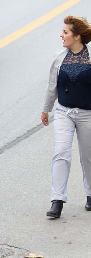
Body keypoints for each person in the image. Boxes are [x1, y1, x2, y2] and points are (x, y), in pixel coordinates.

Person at [41, 15, 91, 219]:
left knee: (88, 156)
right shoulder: (59, 57)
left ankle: (90, 193)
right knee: (61, 152)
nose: (61, 35)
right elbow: (52, 85)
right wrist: (46, 109)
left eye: (66, 32)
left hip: (88, 114)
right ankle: (57, 200)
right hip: (64, 112)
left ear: (77, 36)